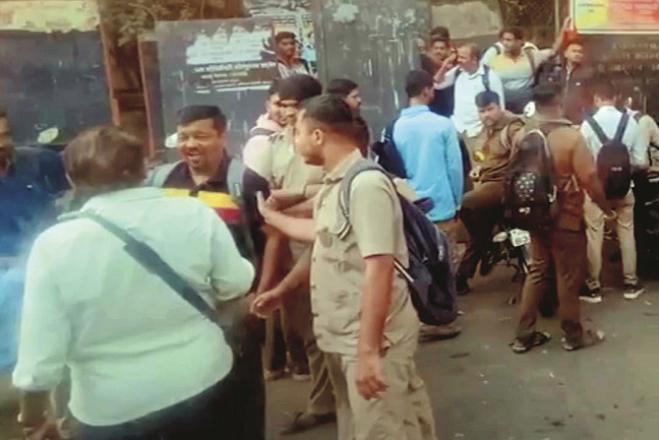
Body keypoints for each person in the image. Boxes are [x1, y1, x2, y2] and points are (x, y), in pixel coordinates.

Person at [13, 126, 255, 440]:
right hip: (203, 382)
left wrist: (33, 417)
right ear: (145, 169)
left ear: (72, 180)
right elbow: (235, 284)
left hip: (112, 409)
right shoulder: (195, 213)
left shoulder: (54, 245)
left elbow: (40, 356)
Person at [254, 94, 437, 440]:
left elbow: (379, 267)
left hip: (370, 339)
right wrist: (281, 284)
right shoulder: (337, 182)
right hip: (344, 336)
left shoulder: (365, 184)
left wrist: (368, 351)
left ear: (318, 136)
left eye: (297, 132)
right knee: (372, 422)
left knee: (383, 428)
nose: (294, 141)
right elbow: (323, 239)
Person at [146, 105, 274, 440]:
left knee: (239, 400)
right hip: (176, 314)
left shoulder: (245, 182)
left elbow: (273, 241)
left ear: (222, 136)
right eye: (184, 136)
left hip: (234, 312)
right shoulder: (160, 180)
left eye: (200, 136)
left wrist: (259, 296)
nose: (190, 144)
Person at [252, 74, 337, 435]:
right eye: (282, 105)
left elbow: (332, 190)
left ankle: (324, 404)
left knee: (324, 331)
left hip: (324, 243)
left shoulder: (323, 140)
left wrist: (292, 198)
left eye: (294, 105)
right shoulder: (274, 144)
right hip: (287, 244)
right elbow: (266, 192)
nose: (287, 112)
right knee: (303, 329)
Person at [511, 83, 613, 354]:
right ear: (559, 101)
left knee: (537, 271)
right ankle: (573, 335)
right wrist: (605, 207)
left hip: (534, 216)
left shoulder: (523, 134)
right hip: (565, 218)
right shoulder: (570, 137)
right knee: (567, 276)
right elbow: (589, 178)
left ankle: (523, 335)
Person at [579, 81, 648, 302]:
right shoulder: (631, 123)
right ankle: (630, 283)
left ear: (596, 99)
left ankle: (593, 287)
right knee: (627, 232)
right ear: (616, 98)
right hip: (624, 188)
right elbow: (640, 162)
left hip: (596, 191)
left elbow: (584, 164)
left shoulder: (587, 125)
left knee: (594, 234)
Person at [456, 90, 526, 295]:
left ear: (499, 106)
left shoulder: (513, 127)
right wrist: (479, 168)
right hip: (487, 183)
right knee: (479, 233)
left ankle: (485, 245)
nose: (486, 114)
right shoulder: (485, 130)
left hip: (504, 185)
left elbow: (521, 152)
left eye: (490, 109)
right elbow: (483, 156)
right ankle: (462, 277)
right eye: (481, 111)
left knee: (467, 204)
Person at [434, 43, 506, 162]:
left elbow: (500, 107)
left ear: (474, 59)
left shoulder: (490, 77)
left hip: (478, 131)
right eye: (459, 57)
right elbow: (437, 84)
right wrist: (445, 65)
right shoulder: (458, 72)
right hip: (457, 127)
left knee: (479, 165)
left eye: (463, 57)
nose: (459, 60)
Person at [483, 22, 570, 114]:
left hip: (527, 105)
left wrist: (563, 30)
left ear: (520, 41)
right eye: (503, 40)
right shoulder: (494, 59)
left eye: (509, 40)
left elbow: (553, 51)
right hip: (504, 106)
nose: (505, 43)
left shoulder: (531, 56)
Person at [536, 39, 595, 124]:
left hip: (578, 118)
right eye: (574, 51)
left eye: (580, 52)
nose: (577, 54)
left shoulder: (588, 74)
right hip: (555, 116)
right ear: (565, 53)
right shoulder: (555, 71)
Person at [243, 80, 286, 177]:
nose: (285, 110)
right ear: (268, 106)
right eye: (278, 104)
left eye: (289, 105)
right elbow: (258, 188)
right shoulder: (260, 142)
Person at [327, 78, 370, 155]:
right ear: (340, 100)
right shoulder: (327, 127)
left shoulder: (361, 125)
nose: (359, 100)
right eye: (354, 97)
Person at [420, 35, 456, 117]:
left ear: (447, 50)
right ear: (431, 50)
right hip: (432, 107)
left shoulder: (453, 67)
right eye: (436, 48)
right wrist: (444, 65)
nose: (438, 51)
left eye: (442, 48)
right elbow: (434, 82)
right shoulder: (425, 65)